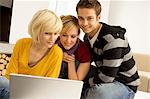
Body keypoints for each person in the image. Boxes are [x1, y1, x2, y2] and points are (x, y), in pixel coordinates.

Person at [76, 0, 140, 99]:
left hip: (124, 83)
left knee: (98, 93)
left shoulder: (112, 39)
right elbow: (84, 61)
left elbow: (107, 77)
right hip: (103, 74)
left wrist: (84, 83)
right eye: (81, 18)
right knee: (73, 65)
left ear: (98, 17)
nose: (84, 23)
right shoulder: (87, 37)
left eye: (90, 18)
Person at [0, 9, 63, 99]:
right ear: (36, 30)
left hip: (37, 95)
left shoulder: (56, 53)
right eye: (47, 33)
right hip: (12, 90)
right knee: (2, 82)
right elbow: (9, 76)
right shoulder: (21, 43)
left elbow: (48, 86)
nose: (52, 38)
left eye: (56, 33)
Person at [57, 15, 91, 81]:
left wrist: (71, 62)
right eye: (64, 35)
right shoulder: (52, 43)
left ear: (78, 35)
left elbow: (75, 83)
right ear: (59, 33)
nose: (68, 41)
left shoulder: (84, 51)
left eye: (73, 36)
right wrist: (58, 55)